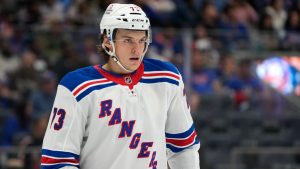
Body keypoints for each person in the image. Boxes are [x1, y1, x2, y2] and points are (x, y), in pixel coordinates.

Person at [41, 3, 200, 169]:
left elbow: (184, 147)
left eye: (142, 40)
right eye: (127, 40)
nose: (137, 49)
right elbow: (57, 162)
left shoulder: (167, 78)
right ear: (107, 41)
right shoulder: (77, 87)